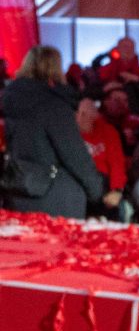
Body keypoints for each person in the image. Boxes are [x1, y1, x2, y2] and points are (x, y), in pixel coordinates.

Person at [0, 47, 103, 219]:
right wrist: (96, 190)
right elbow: (73, 154)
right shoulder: (54, 105)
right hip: (56, 195)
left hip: (16, 188)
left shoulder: (8, 101)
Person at [75, 95, 127, 219]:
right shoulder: (70, 133)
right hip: (78, 182)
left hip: (103, 184)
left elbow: (117, 164)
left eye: (81, 114)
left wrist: (117, 190)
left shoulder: (108, 131)